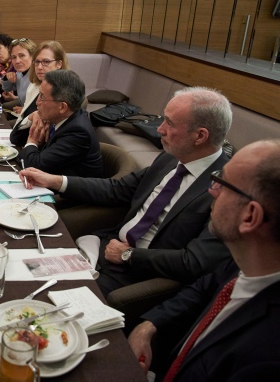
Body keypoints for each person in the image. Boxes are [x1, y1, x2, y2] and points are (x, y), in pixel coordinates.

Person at [19, 87, 233, 296]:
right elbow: (118, 189)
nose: (159, 129)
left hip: (137, 273)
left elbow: (194, 261)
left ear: (200, 136)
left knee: (45, 299)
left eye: (169, 123)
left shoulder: (226, 191)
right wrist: (55, 181)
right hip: (105, 245)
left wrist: (129, 255)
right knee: (23, 269)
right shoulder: (170, 158)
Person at [128, 140, 280, 381]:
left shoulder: (265, 357)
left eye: (222, 183)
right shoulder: (248, 261)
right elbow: (202, 288)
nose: (212, 190)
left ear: (250, 216)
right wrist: (148, 326)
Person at [19, 69, 102, 178]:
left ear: (62, 107)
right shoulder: (58, 115)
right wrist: (31, 117)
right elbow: (15, 139)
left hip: (67, 188)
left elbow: (34, 166)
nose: (37, 102)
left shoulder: (78, 132)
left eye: (42, 97)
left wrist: (31, 142)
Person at [10, 41, 69, 147]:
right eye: (37, 62)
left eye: (46, 62)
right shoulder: (34, 87)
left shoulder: (66, 94)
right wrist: (32, 116)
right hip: (28, 144)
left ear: (59, 64)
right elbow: (15, 136)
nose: (39, 67)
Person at [0, 38, 37, 114]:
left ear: (33, 56)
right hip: (23, 104)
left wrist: (25, 110)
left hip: (34, 113)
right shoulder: (20, 73)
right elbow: (7, 88)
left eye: (22, 55)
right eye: (14, 57)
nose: (17, 61)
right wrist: (7, 77)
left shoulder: (38, 74)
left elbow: (47, 104)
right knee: (1, 108)